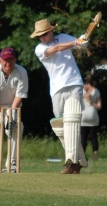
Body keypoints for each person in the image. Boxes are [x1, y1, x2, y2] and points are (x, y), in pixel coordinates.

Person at [30, 18, 89, 174]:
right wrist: (75, 43)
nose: (42, 37)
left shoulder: (63, 37)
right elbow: (55, 49)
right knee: (61, 127)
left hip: (74, 83)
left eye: (45, 34)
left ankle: (70, 162)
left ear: (51, 31)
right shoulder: (39, 49)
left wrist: (83, 41)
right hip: (57, 89)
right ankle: (80, 160)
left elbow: (80, 44)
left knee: (72, 120)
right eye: (40, 35)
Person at [81, 74, 102, 161]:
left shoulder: (81, 90)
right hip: (93, 115)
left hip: (83, 116)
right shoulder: (96, 91)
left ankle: (82, 157)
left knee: (83, 138)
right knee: (93, 138)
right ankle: (95, 158)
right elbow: (99, 107)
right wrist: (91, 102)